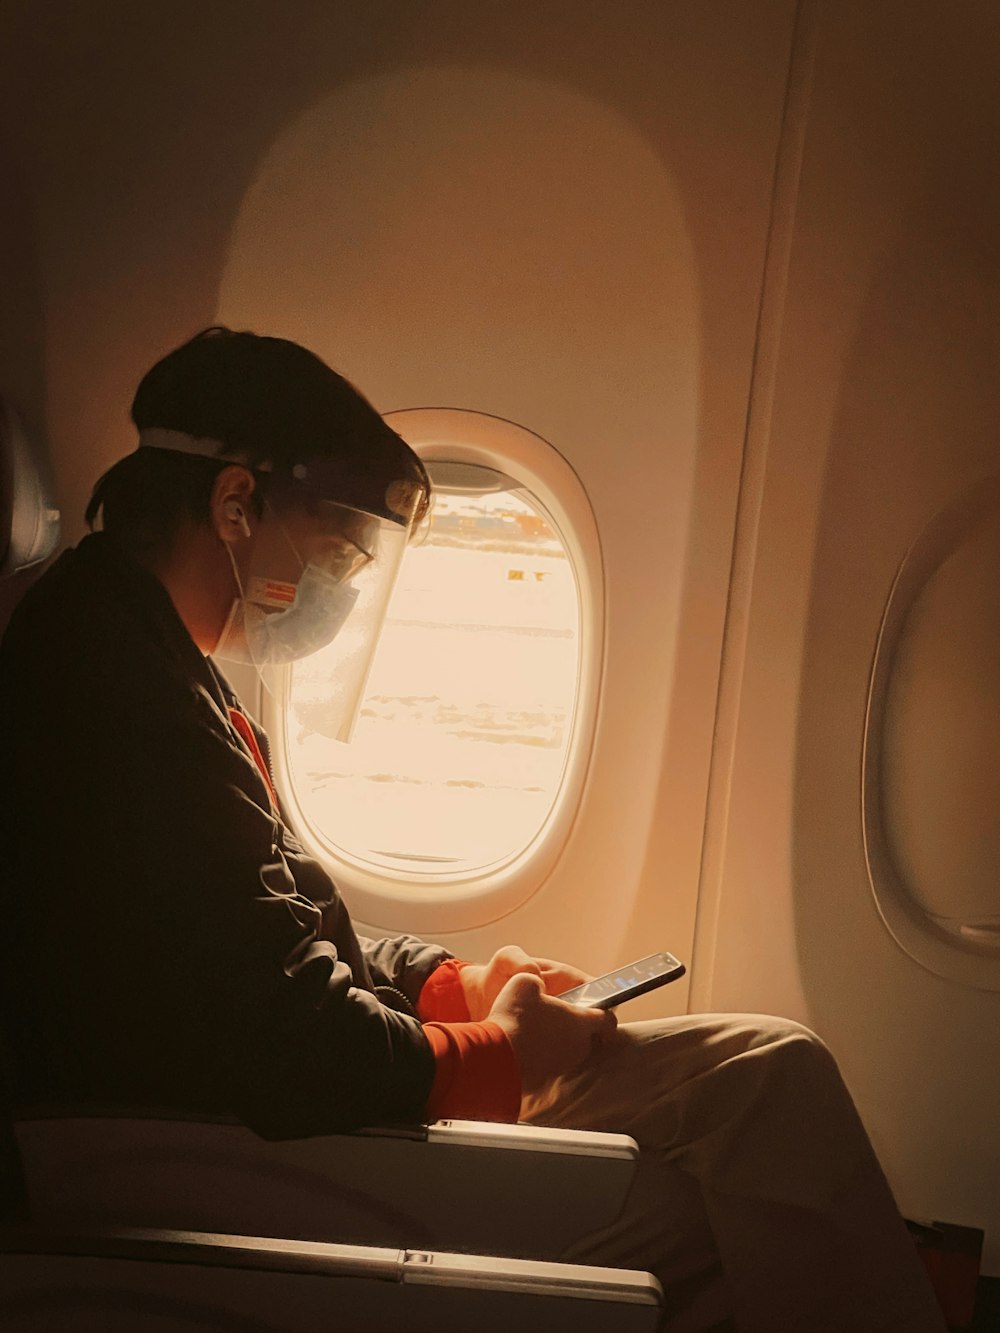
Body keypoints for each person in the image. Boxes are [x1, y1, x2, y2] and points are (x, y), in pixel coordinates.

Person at [0, 329, 945, 1332]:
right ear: (236, 505)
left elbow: (267, 920)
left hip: (288, 1126)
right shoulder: (109, 690)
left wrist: (448, 985)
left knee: (766, 1078)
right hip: (233, 1163)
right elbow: (281, 1039)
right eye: (337, 552)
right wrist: (501, 1053)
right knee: (735, 1193)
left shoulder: (147, 657)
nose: (346, 589)